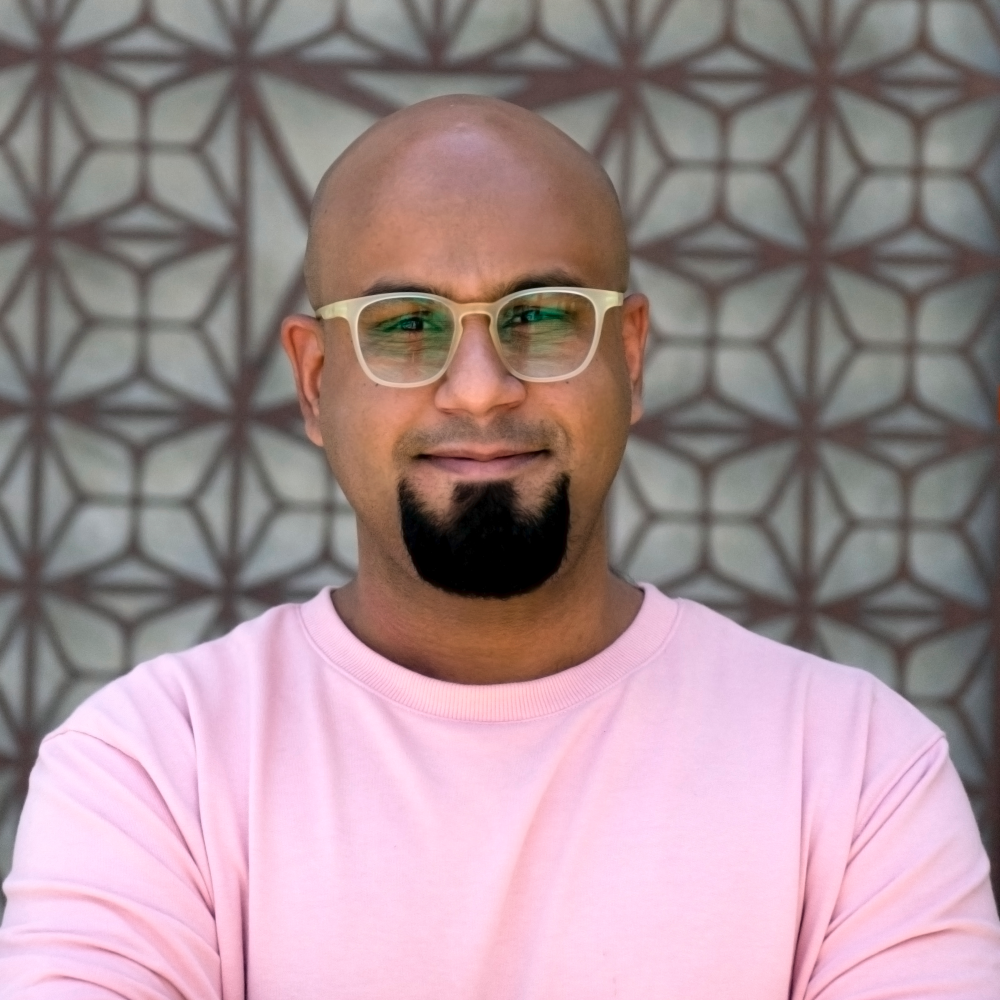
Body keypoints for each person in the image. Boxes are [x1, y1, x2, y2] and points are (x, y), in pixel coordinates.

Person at [0, 95, 998, 999]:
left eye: (543, 317)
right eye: (402, 328)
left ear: (630, 356)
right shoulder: (153, 766)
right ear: (314, 382)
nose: (478, 386)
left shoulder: (857, 770)